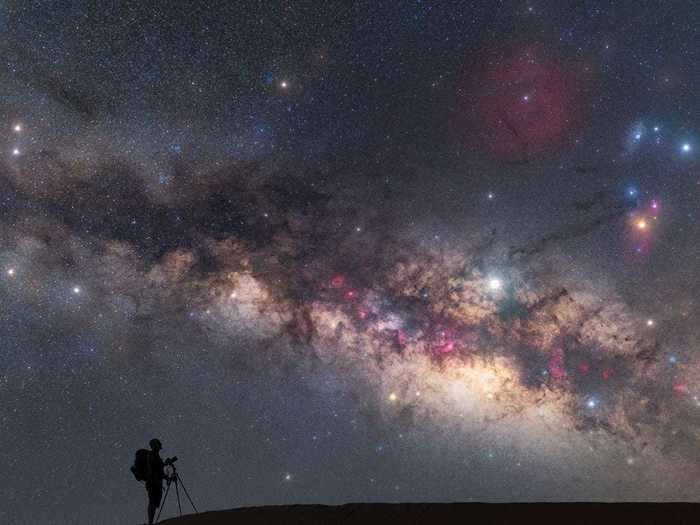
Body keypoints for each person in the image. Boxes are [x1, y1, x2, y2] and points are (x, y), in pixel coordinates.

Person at [145, 438, 166, 525]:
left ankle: (151, 522)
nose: (160, 445)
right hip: (153, 483)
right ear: (154, 445)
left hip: (156, 483)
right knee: (152, 502)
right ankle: (150, 522)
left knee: (154, 503)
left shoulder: (156, 456)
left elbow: (159, 470)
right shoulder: (152, 455)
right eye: (158, 444)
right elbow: (155, 469)